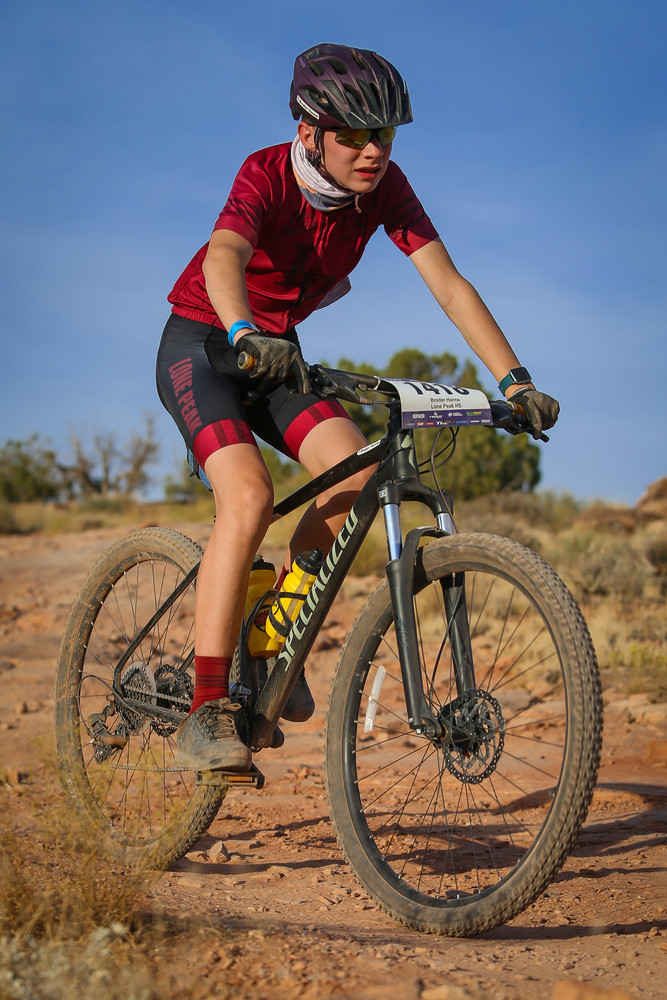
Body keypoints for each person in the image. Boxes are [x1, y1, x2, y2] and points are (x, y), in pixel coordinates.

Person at [156, 42, 559, 773]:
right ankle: (205, 709)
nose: (374, 150)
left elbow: (448, 284)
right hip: (207, 342)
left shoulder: (385, 188)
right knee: (248, 498)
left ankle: (269, 629)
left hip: (277, 353)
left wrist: (514, 381)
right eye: (354, 134)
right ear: (309, 132)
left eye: (386, 134)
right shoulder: (266, 172)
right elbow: (223, 256)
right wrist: (244, 332)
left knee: (354, 472)